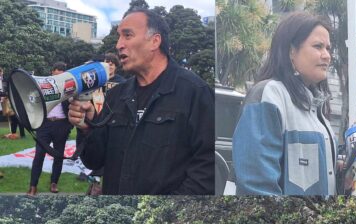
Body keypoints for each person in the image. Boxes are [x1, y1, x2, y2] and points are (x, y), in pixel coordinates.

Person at [68, 9, 214, 195]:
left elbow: (208, 166)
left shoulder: (195, 92)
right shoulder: (116, 96)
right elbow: (94, 161)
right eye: (119, 37)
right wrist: (87, 127)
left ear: (155, 41)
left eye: (127, 35)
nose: (119, 45)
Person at [232, 11, 337, 196]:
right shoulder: (269, 95)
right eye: (318, 46)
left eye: (328, 48)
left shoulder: (317, 107)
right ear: (291, 51)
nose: (327, 55)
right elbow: (256, 186)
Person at [28, 62, 72, 196]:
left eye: (61, 75)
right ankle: (33, 186)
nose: (58, 77)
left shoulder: (68, 86)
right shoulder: (43, 86)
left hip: (61, 124)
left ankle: (54, 183)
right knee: (39, 155)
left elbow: (73, 103)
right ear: (52, 72)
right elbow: (33, 100)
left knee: (58, 155)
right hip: (45, 124)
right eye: (56, 74)